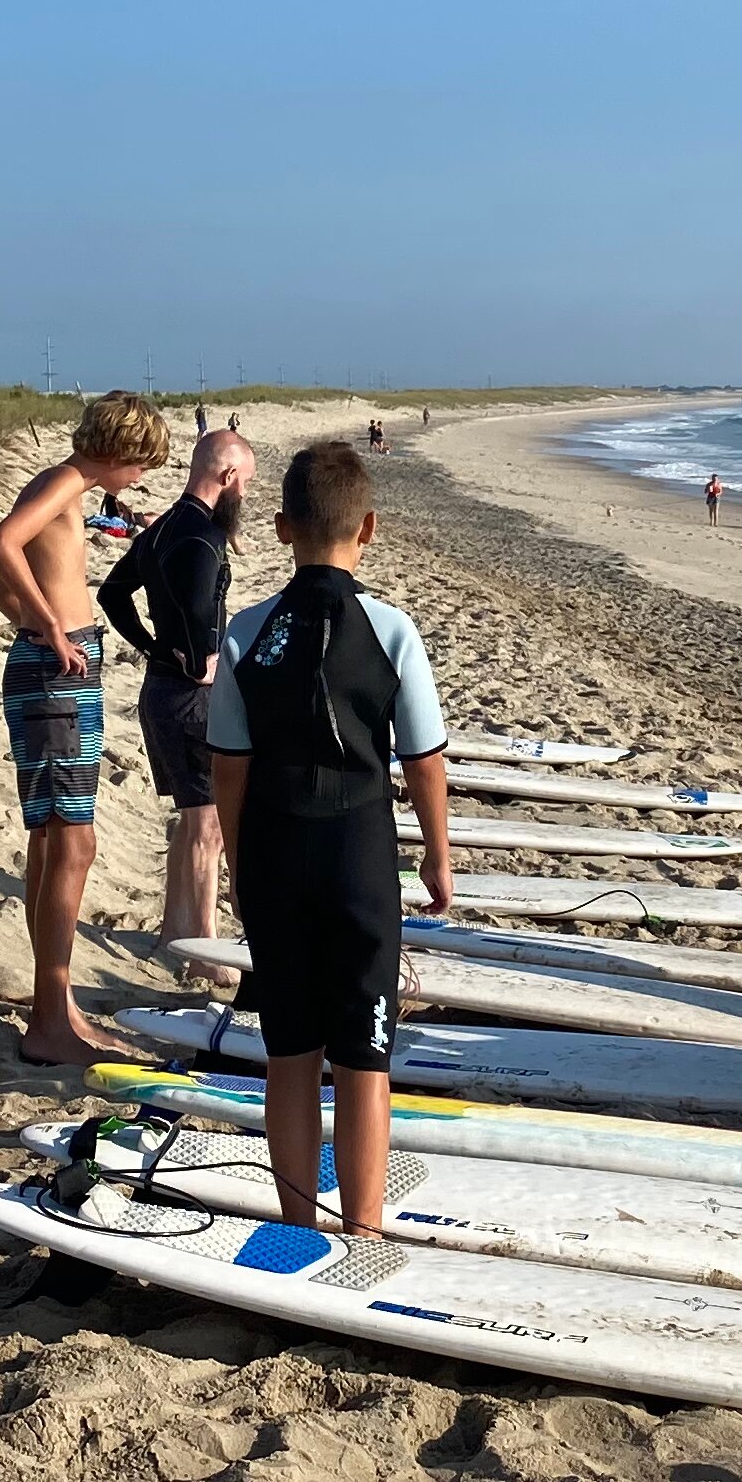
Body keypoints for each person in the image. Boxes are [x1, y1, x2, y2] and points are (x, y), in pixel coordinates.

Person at [208, 440, 454, 1235]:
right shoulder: (392, 632)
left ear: (281, 528)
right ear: (369, 528)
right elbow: (423, 763)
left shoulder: (246, 634)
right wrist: (438, 861)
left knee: (289, 1056)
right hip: (360, 860)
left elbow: (230, 771)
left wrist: (240, 867)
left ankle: (292, 1223)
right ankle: (366, 1227)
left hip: (277, 856)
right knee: (364, 1057)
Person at [0, 390, 173, 1065]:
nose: (139, 480)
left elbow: (8, 580)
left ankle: (52, 1004)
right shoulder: (64, 481)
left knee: (55, 841)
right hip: (54, 670)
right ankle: (48, 1022)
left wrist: (31, 611)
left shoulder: (69, 489)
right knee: (73, 843)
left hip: (61, 664)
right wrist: (50, 624)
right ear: (119, 453)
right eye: (139, 466)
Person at [106, 425, 256, 941]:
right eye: (246, 484)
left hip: (161, 691)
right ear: (229, 474)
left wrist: (150, 646)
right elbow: (195, 606)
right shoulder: (202, 535)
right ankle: (202, 949)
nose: (246, 495)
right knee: (207, 827)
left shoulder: (163, 528)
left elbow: (113, 595)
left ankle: (175, 930)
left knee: (193, 819)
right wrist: (199, 659)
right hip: (190, 696)